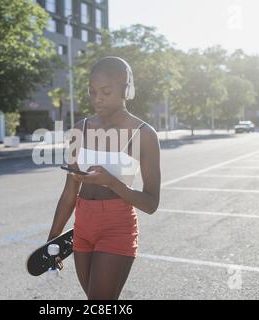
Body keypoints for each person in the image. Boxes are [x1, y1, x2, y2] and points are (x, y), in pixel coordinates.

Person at [47, 56, 161, 300]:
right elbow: (69, 193)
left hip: (117, 226)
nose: (97, 98)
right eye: (92, 92)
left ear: (126, 90)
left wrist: (111, 182)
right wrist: (51, 241)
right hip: (82, 225)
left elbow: (151, 203)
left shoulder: (144, 135)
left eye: (106, 91)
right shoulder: (81, 128)